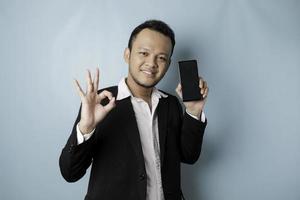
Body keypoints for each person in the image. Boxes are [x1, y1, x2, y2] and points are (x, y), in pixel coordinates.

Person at [59, 19, 209, 200]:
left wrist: (193, 112)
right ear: (127, 55)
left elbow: (189, 155)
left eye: (161, 58)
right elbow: (70, 173)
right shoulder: (100, 102)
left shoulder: (170, 104)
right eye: (144, 53)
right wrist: (86, 128)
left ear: (168, 65)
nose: (152, 63)